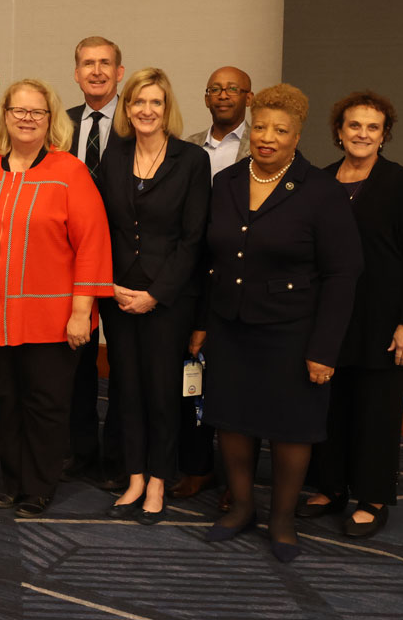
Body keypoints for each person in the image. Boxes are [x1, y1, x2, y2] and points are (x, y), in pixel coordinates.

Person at [197, 83, 361, 563]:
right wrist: (203, 322)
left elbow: (342, 274)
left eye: (280, 130)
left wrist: (324, 350)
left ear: (297, 135)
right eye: (262, 127)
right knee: (231, 421)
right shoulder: (225, 183)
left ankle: (282, 517)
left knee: (291, 429)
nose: (267, 137)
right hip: (230, 324)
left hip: (294, 332)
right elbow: (212, 259)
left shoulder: (321, 191)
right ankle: (242, 507)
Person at [0, 78, 113, 517]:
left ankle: (39, 485)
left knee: (44, 404)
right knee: (1, 401)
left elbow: (93, 245)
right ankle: (12, 480)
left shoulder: (69, 172)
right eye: (18, 111)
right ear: (5, 116)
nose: (26, 119)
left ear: (51, 120)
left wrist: (82, 313)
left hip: (51, 317)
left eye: (37, 112)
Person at [300, 91, 403, 538]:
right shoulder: (318, 182)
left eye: (372, 127)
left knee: (376, 410)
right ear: (339, 132)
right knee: (330, 405)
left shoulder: (401, 182)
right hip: (329, 318)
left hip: (383, 320)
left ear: (384, 135)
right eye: (354, 125)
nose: (362, 134)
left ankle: (372, 497)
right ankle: (331, 487)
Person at [97, 68, 210, 524]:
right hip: (119, 293)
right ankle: (136, 476)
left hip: (169, 298)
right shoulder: (114, 156)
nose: (146, 110)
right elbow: (102, 227)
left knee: (163, 392)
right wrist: (110, 284)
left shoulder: (191, 160)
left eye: (156, 103)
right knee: (126, 388)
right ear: (127, 110)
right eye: (138, 102)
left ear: (168, 109)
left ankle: (160, 479)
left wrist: (156, 294)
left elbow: (193, 239)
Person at [172, 65, 255, 503]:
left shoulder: (262, 146)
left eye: (232, 89)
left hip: (238, 275)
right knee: (192, 378)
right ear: (206, 98)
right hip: (191, 275)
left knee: (236, 382)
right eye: (215, 89)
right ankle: (197, 466)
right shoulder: (186, 148)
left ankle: (238, 478)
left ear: (249, 96)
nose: (223, 95)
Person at [64, 36, 128, 490]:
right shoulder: (61, 126)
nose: (97, 71)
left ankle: (119, 457)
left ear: (120, 72)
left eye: (106, 63)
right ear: (76, 73)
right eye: (88, 64)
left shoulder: (140, 121)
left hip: (127, 261)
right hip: (72, 262)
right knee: (76, 359)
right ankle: (78, 449)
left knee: (124, 365)